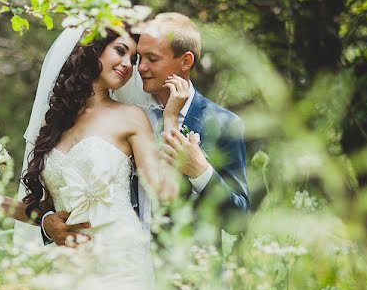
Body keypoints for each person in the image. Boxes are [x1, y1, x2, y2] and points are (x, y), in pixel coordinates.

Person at [38, 13, 250, 246]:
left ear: (186, 61)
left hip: (185, 273)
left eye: (152, 58)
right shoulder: (122, 112)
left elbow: (238, 221)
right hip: (113, 257)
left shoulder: (223, 124)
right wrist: (47, 220)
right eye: (140, 57)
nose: (140, 68)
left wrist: (201, 172)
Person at [0, 24, 188, 250]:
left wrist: (171, 118)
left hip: (120, 255)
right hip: (68, 262)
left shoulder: (131, 117)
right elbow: (51, 207)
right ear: (94, 48)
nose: (127, 65)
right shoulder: (55, 121)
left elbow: (164, 191)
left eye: (133, 60)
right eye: (120, 51)